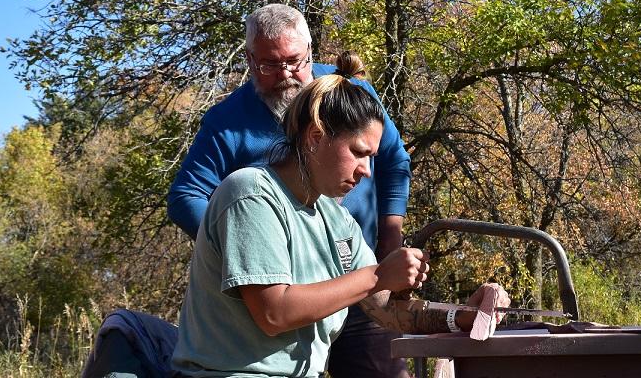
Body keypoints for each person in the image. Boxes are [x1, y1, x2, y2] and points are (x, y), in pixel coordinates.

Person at [171, 52, 509, 377]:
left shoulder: (336, 219)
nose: (367, 171)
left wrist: (465, 316)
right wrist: (378, 275)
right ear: (316, 137)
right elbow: (274, 312)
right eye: (359, 153)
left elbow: (386, 309)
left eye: (371, 158)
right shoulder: (251, 195)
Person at [168, 4, 412, 377]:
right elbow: (274, 311)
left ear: (312, 53)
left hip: (349, 268)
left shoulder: (337, 211)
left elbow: (394, 164)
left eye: (295, 62)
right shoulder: (243, 171)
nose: (285, 75)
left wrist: (463, 317)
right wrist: (243, 251)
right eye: (269, 65)